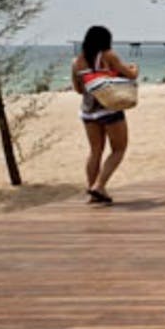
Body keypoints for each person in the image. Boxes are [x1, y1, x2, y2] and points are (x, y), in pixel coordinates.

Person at [71, 25, 138, 205]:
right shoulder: (108, 56)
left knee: (95, 151)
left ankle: (93, 192)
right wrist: (135, 68)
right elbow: (131, 75)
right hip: (109, 108)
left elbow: (78, 89)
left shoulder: (77, 62)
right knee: (118, 149)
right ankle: (99, 186)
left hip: (88, 111)